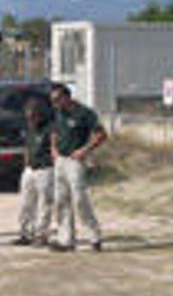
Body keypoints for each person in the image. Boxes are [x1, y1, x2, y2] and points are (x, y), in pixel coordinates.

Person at [49, 84, 107, 252]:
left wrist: (84, 150)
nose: (55, 103)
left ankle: (94, 236)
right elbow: (54, 131)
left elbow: (101, 135)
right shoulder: (58, 113)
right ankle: (66, 239)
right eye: (53, 100)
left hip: (75, 162)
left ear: (67, 97)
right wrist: (53, 149)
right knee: (61, 201)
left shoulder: (84, 113)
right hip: (60, 160)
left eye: (57, 99)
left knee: (80, 200)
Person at [12, 98, 54, 246]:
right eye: (28, 115)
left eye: (33, 115)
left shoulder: (49, 129)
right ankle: (25, 232)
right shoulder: (29, 128)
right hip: (30, 169)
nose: (30, 118)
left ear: (40, 114)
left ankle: (41, 234)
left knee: (44, 203)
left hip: (45, 168)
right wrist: (26, 163)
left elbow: (54, 148)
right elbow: (27, 147)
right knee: (26, 202)